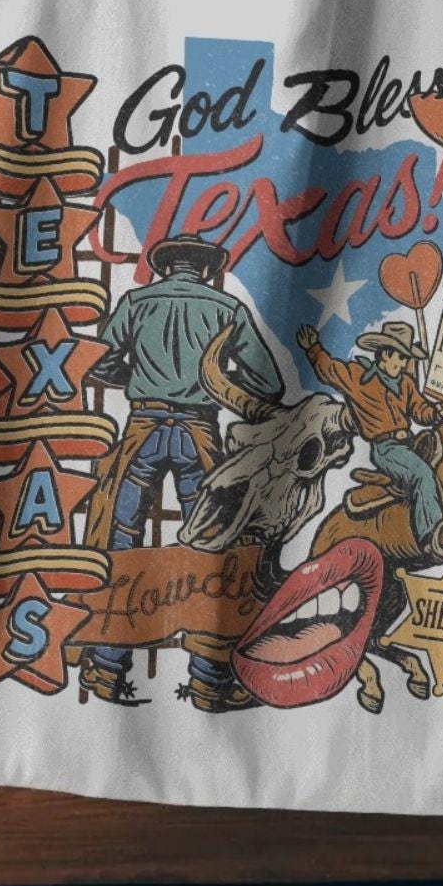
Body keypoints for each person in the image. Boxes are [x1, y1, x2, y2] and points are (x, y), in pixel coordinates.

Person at [80, 235, 282, 713]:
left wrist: (138, 378)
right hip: (200, 430)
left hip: (142, 427)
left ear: (164, 268)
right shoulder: (224, 307)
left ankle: (107, 669)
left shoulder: (136, 301)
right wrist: (218, 380)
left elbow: (98, 361)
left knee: (119, 543)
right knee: (213, 550)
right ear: (206, 270)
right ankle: (209, 679)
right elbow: (268, 382)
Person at [296, 318, 443, 562]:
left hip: (408, 443)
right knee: (421, 473)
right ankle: (432, 537)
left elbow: (420, 410)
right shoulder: (359, 377)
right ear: (383, 355)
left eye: (404, 359)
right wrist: (313, 348)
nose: (401, 364)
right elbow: (330, 371)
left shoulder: (406, 383)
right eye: (398, 357)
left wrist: (437, 411)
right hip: (386, 448)